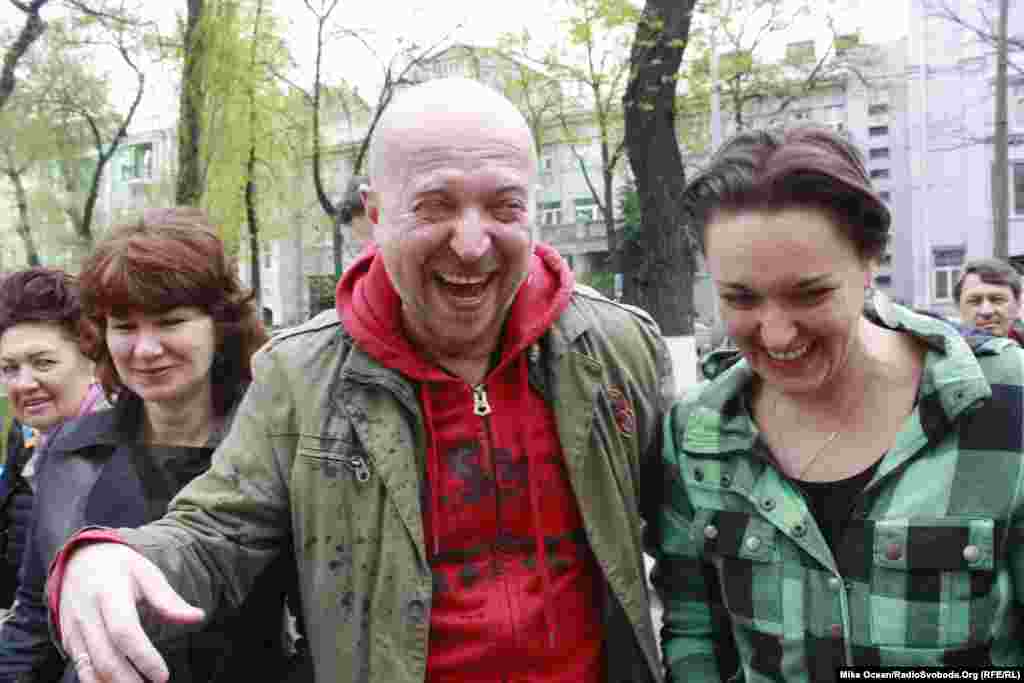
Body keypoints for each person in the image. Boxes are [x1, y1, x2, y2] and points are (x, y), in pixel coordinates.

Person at [45, 77, 673, 683]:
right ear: (375, 213)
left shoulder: (616, 348)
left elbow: (688, 546)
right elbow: (216, 532)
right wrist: (114, 557)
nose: (474, 243)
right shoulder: (301, 375)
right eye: (435, 206)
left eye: (505, 206)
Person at [656, 126, 1024, 682]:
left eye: (809, 294)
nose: (776, 335)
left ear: (871, 259)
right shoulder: (696, 432)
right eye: (740, 297)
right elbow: (692, 628)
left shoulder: (1002, 402)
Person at [0, 209, 296, 683]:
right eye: (124, 327)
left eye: (170, 321)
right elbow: (37, 619)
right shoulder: (71, 451)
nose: (145, 348)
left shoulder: (274, 446)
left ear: (219, 324)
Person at [0, 268, 105, 609]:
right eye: (9, 368)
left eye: (43, 363)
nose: (23, 383)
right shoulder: (35, 431)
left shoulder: (118, 453)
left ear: (91, 359)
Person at [954, 258, 1023, 341]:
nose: (986, 311)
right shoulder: (943, 351)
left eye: (997, 300)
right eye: (974, 301)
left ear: (1017, 303)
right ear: (958, 306)